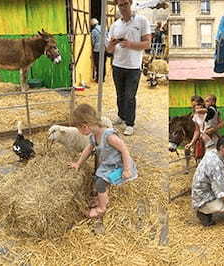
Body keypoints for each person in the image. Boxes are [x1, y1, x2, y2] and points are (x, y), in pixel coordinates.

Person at [68, 104, 137, 218]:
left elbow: (124, 149)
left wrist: (127, 169)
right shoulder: (94, 136)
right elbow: (88, 149)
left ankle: (101, 208)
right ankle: (101, 198)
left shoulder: (109, 136)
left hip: (119, 166)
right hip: (108, 165)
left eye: (78, 129)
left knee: (100, 183)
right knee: (98, 179)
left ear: (85, 126)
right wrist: (78, 163)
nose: (78, 131)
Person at [105, 0, 152, 136]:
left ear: (130, 3)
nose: (123, 7)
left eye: (125, 4)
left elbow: (148, 44)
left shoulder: (142, 20)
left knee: (130, 96)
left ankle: (130, 124)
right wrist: (113, 44)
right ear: (117, 6)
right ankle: (121, 116)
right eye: (120, 5)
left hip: (133, 66)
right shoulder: (115, 25)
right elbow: (109, 50)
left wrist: (130, 44)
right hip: (117, 65)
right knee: (120, 95)